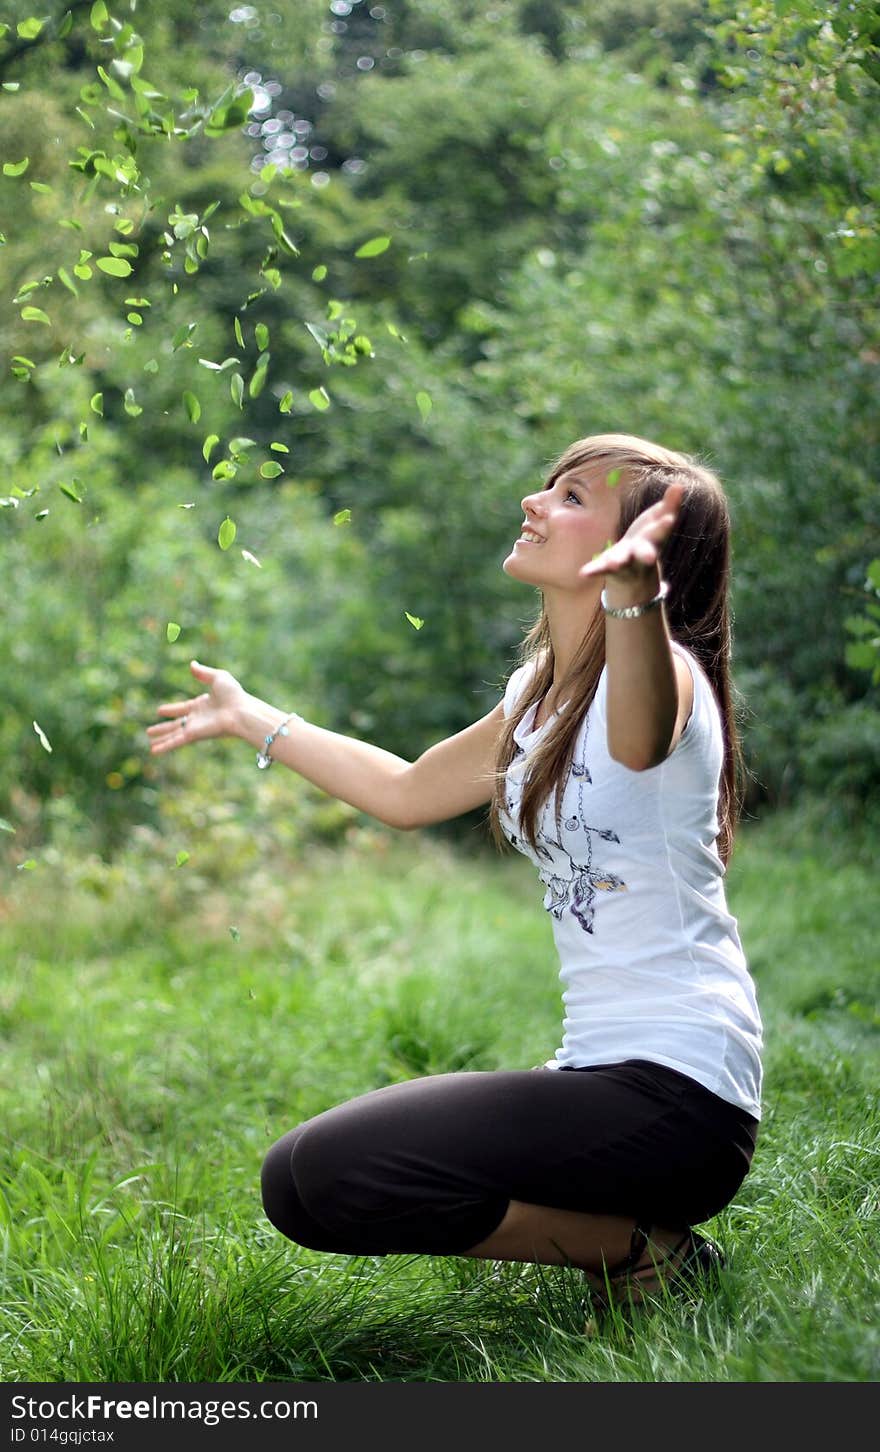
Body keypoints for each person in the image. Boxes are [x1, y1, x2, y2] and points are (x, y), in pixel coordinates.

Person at [147, 432, 762, 1309]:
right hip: (599, 1079)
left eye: (575, 498)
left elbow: (635, 736)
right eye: (552, 486)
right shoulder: (542, 695)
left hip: (681, 1095)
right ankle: (635, 1247)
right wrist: (252, 719)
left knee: (328, 1174)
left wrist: (633, 603)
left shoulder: (666, 679)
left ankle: (646, 1258)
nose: (536, 503)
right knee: (300, 1180)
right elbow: (404, 790)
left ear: (641, 554)